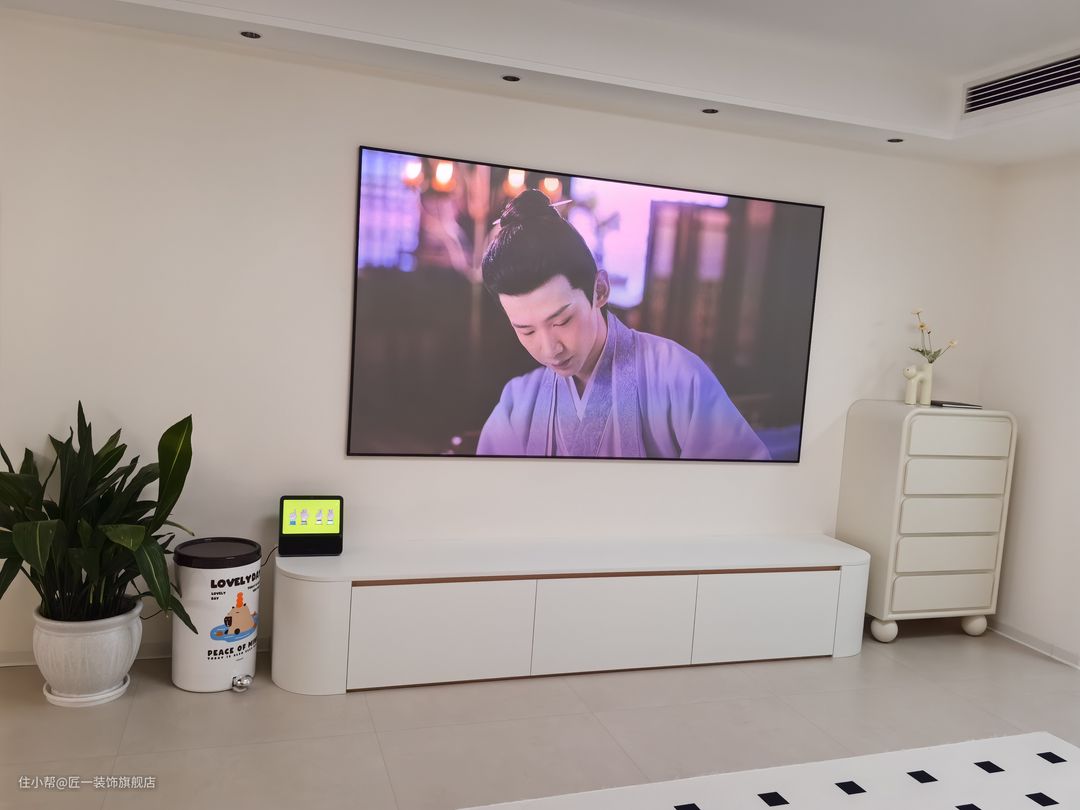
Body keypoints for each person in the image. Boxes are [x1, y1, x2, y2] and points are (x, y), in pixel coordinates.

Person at [476, 188, 770, 460]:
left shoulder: (677, 377)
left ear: (600, 290)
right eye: (526, 330)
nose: (549, 348)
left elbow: (738, 480)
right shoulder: (518, 403)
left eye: (562, 320)